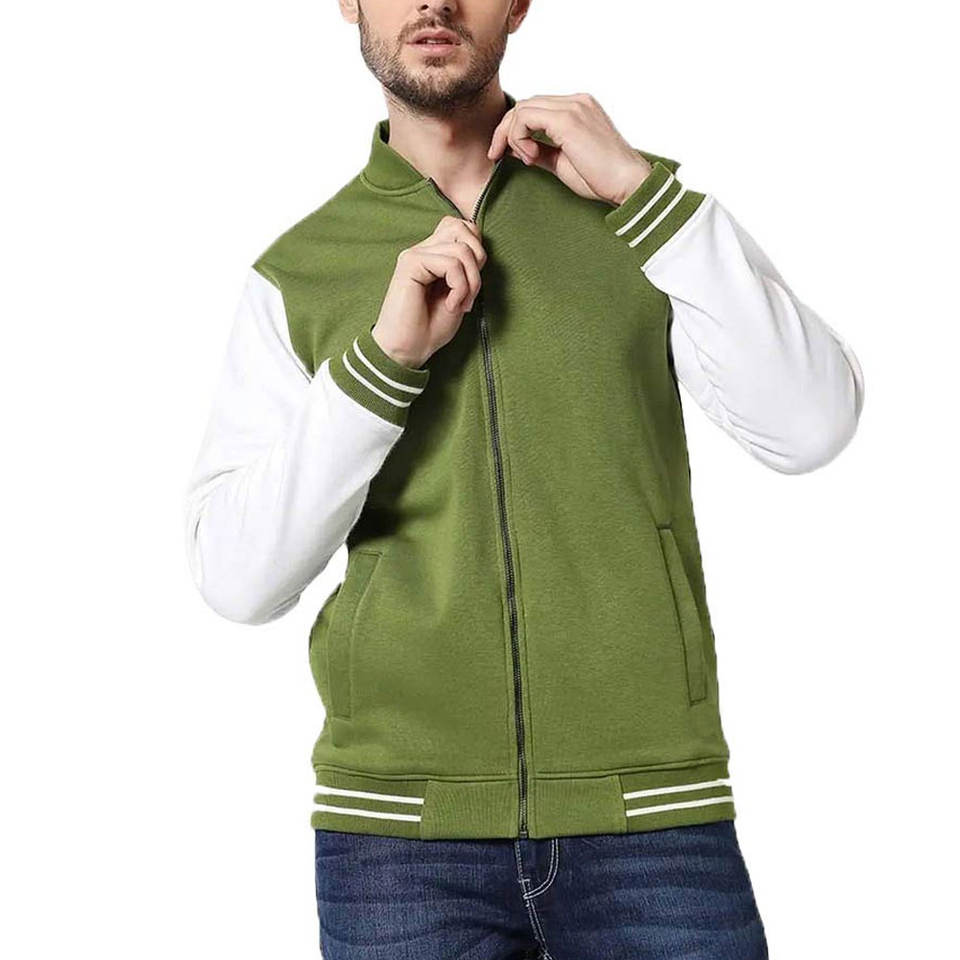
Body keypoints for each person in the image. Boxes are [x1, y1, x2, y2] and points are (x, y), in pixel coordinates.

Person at [183, 1, 865, 957]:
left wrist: (642, 195)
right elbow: (236, 578)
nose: (432, 2)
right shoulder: (298, 273)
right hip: (399, 837)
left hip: (649, 808)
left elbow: (812, 424)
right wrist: (383, 363)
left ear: (517, 3)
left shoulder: (635, 212)